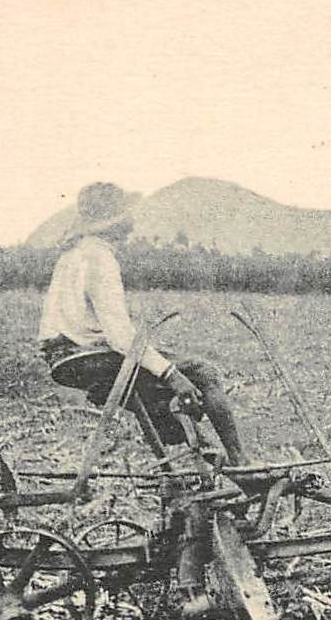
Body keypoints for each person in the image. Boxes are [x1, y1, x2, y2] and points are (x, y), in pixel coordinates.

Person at [36, 181, 252, 469]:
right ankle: (242, 463)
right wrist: (173, 375)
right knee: (203, 372)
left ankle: (202, 457)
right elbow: (121, 337)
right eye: (127, 214)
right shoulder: (100, 258)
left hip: (64, 358)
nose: (132, 221)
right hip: (88, 357)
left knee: (154, 392)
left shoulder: (73, 253)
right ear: (113, 221)